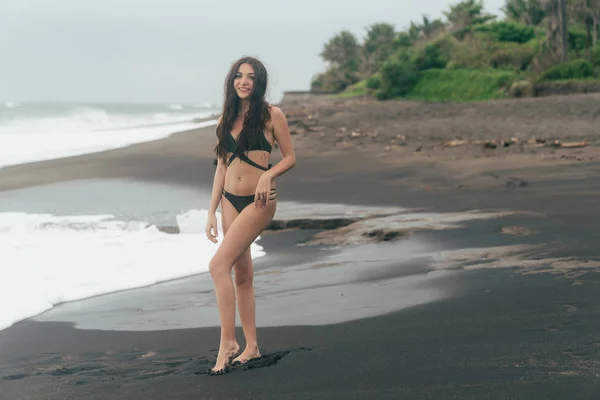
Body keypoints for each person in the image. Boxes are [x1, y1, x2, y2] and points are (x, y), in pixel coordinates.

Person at [204, 56, 296, 375]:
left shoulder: (272, 115)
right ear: (232, 81)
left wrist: (268, 176)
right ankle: (252, 347)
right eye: (239, 76)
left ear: (259, 83)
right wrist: (211, 211)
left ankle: (228, 342)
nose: (244, 81)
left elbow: (290, 157)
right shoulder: (224, 120)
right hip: (229, 200)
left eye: (251, 77)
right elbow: (221, 167)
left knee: (217, 265)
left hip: (258, 202)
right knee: (241, 274)